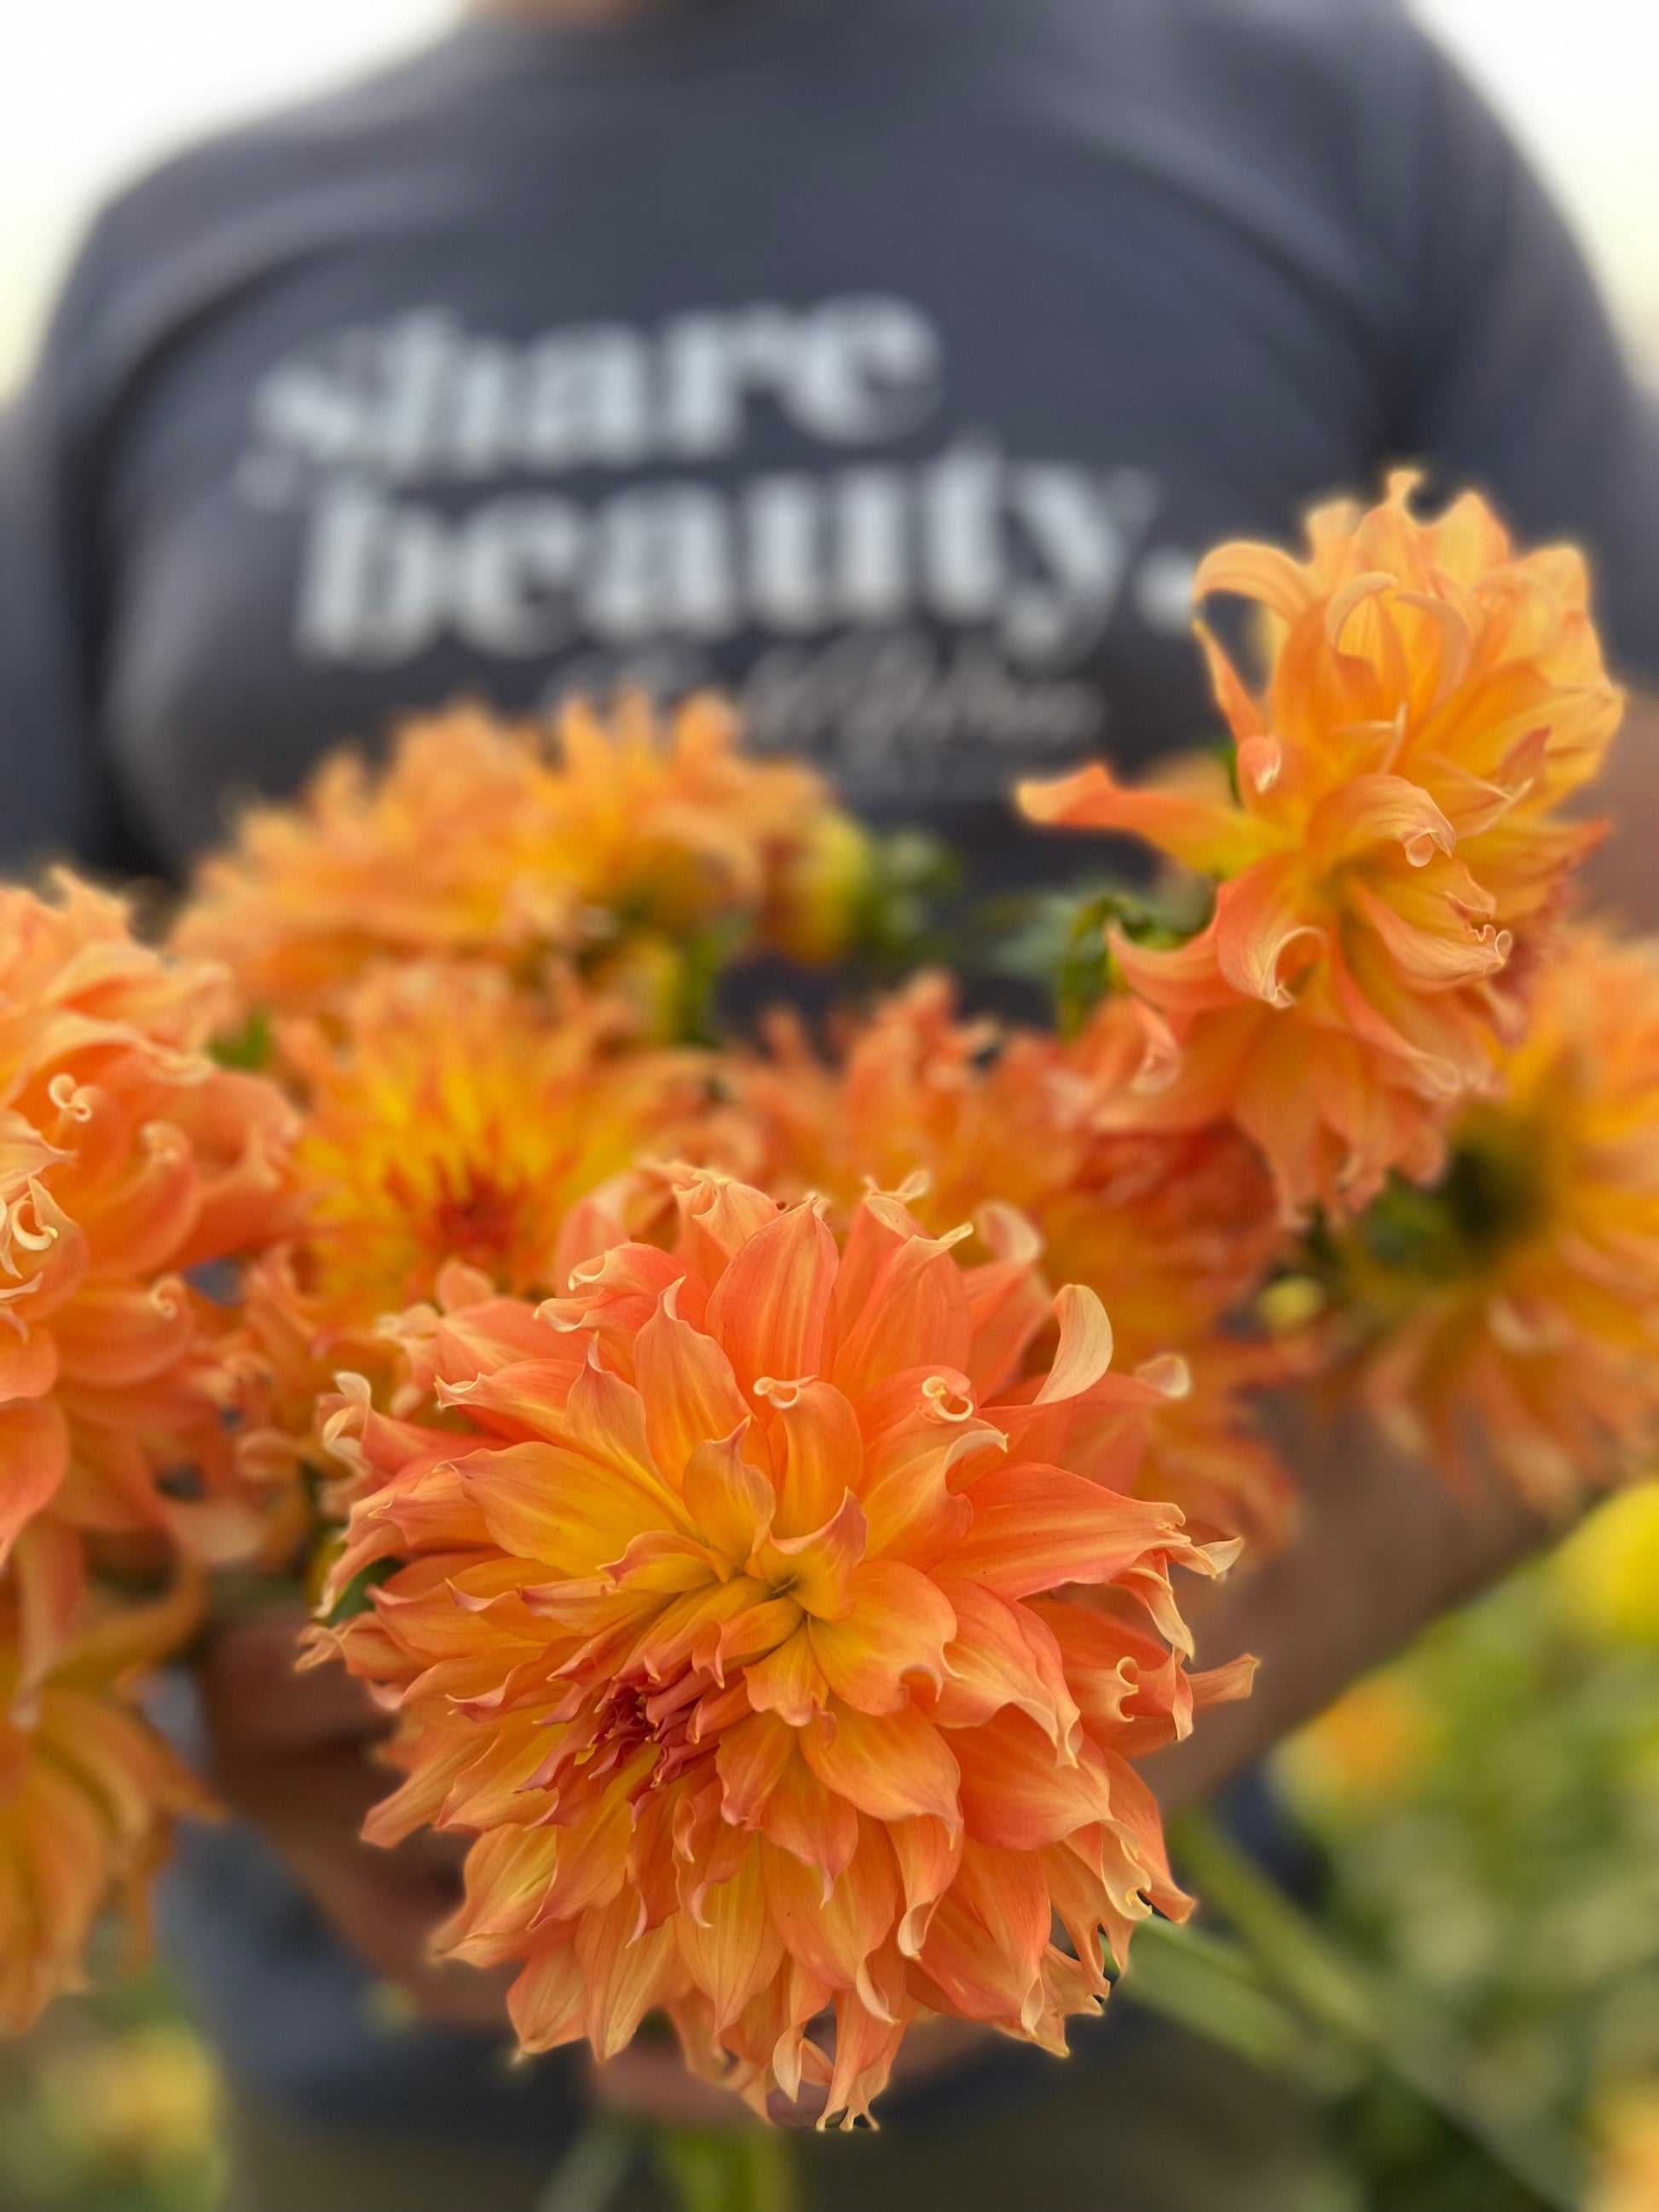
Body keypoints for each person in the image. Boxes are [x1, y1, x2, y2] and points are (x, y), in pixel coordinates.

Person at [3, 0, 1658, 2204]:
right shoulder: (169, 262)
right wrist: (238, 1643)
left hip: (1079, 2045)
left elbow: (1617, 1038)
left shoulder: (1327, 128)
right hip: (367, 2048)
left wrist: (1133, 1666)